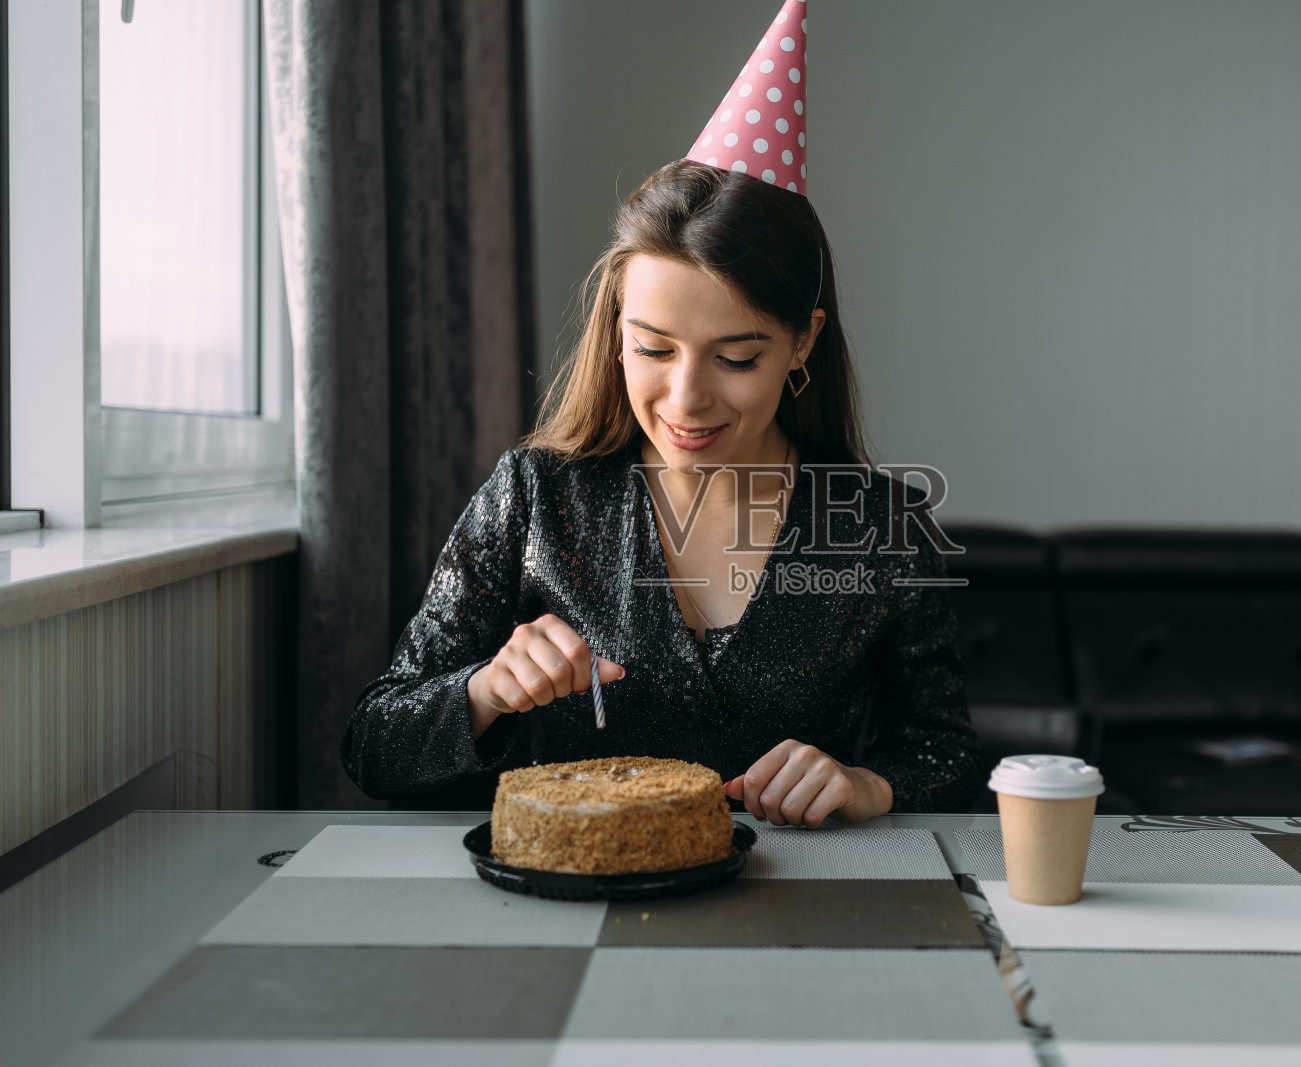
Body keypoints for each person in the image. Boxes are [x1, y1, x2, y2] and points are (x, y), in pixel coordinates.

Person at [341, 0, 983, 825]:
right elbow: (373, 745)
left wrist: (870, 783)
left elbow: (948, 756)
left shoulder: (883, 529)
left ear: (802, 342)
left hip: (799, 899)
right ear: (616, 331)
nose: (685, 399)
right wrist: (484, 691)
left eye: (736, 358)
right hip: (573, 894)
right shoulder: (534, 497)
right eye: (652, 348)